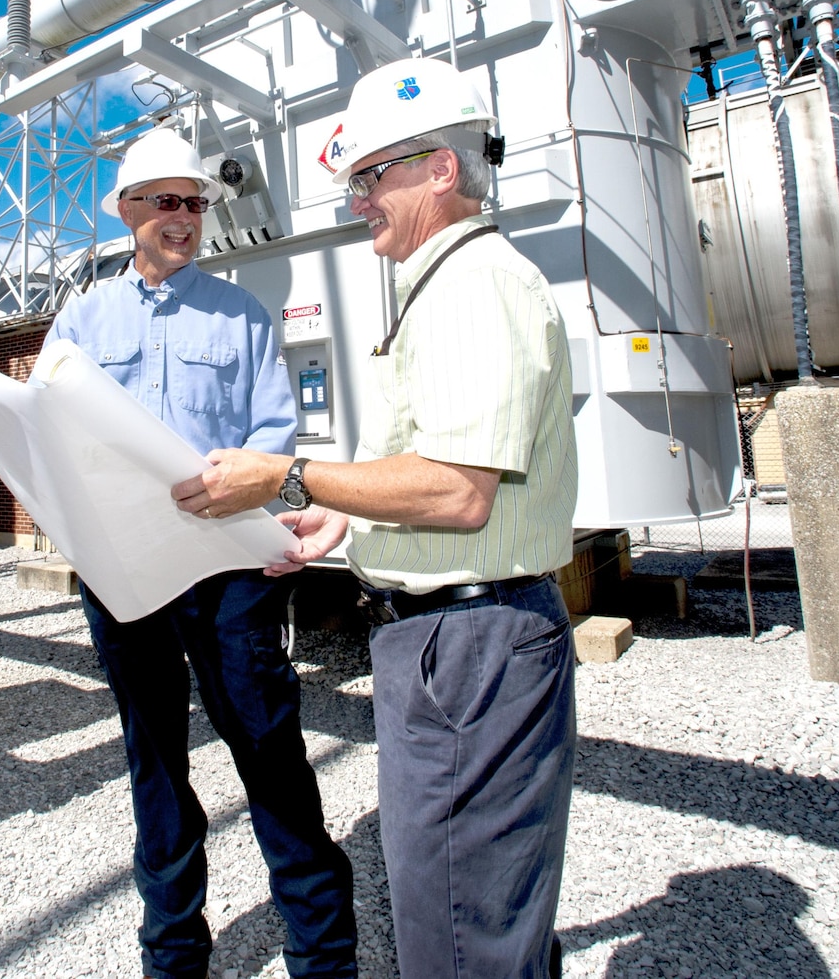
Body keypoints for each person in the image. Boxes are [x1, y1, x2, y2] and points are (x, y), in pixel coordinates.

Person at [171, 57, 579, 979]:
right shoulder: (449, 284)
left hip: (467, 648)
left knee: (458, 930)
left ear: (441, 168)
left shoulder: (475, 284)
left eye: (370, 176)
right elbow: (445, 479)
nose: (358, 200)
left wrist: (294, 475)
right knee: (472, 913)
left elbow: (456, 490)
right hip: (455, 639)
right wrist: (346, 525)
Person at [0, 127, 358, 979]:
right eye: (166, 201)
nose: (184, 217)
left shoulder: (240, 315)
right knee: (156, 767)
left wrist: (291, 522)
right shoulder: (84, 320)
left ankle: (322, 960)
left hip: (230, 576)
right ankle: (174, 960)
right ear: (128, 212)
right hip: (125, 575)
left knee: (271, 758)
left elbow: (275, 440)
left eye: (195, 202)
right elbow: (45, 437)